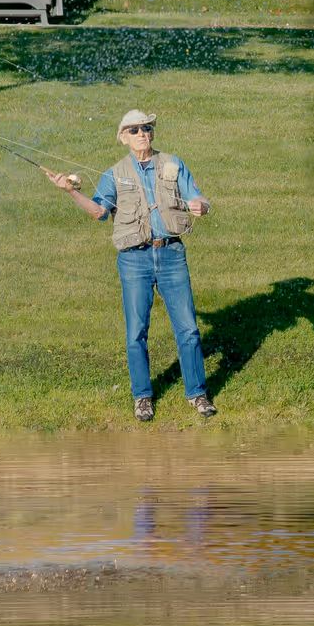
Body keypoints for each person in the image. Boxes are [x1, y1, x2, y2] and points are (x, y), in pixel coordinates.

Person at [45, 110, 216, 421]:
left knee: (188, 328)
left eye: (147, 128)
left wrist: (200, 206)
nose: (143, 134)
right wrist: (71, 191)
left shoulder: (173, 164)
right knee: (136, 331)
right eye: (135, 130)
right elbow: (99, 211)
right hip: (133, 260)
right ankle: (143, 397)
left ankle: (197, 394)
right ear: (123, 137)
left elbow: (201, 199)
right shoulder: (114, 173)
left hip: (171, 254)